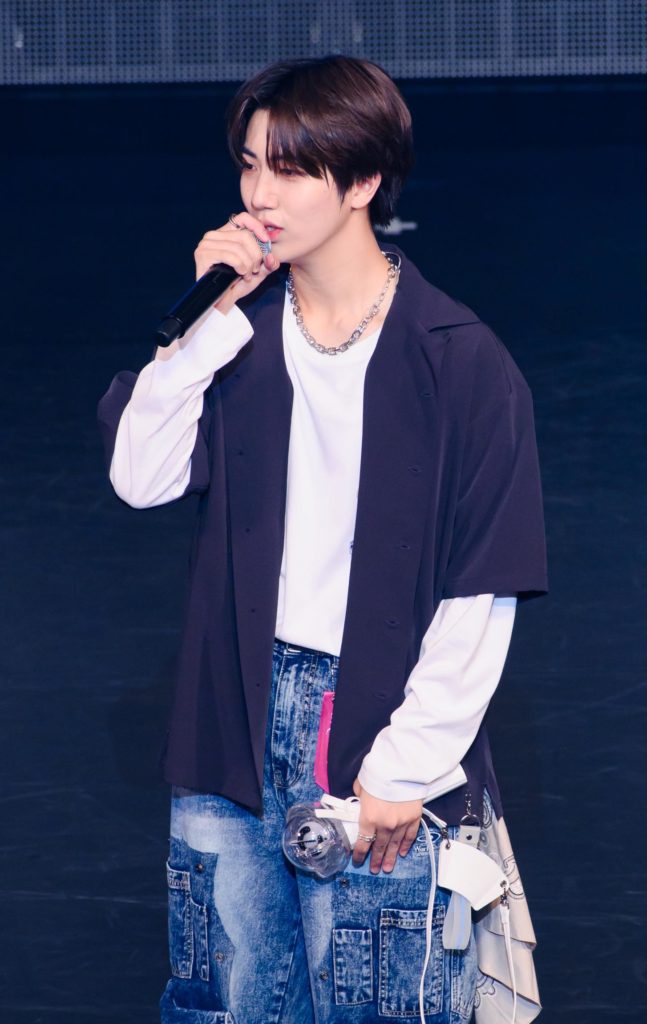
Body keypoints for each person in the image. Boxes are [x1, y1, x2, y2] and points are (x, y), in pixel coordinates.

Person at [98, 55, 547, 1024]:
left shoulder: (457, 358)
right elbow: (140, 477)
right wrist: (205, 320)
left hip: (373, 723)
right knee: (226, 1001)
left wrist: (403, 765)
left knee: (376, 1001)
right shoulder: (237, 336)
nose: (258, 194)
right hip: (230, 710)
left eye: (290, 169)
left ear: (362, 182)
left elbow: (482, 583)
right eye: (248, 164)